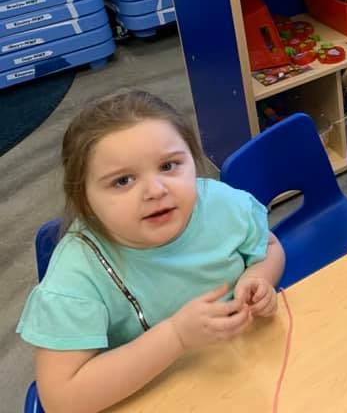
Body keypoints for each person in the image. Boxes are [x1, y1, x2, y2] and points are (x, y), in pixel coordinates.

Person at [17, 90, 285, 413]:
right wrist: (175, 337)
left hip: (243, 377)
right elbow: (61, 398)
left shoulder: (221, 205)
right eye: (122, 181)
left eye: (169, 165)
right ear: (84, 200)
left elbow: (269, 247)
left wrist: (258, 278)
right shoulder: (77, 273)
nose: (156, 191)